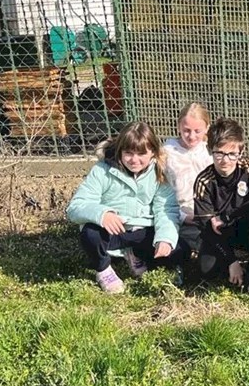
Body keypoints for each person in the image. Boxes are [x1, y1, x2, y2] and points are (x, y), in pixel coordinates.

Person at [67, 121, 184, 294]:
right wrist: (103, 214)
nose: (134, 160)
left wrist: (165, 238)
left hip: (142, 229)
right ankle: (104, 269)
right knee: (90, 234)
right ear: (120, 150)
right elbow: (75, 207)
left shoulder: (160, 173)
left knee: (181, 249)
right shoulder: (102, 170)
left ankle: (135, 254)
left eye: (141, 153)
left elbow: (166, 210)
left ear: (152, 152)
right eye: (128, 153)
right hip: (112, 230)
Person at [192, 118, 249, 292]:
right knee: (207, 269)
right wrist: (231, 260)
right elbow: (206, 226)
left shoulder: (247, 167)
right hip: (219, 235)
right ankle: (232, 267)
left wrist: (228, 216)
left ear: (240, 151)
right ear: (210, 150)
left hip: (243, 227)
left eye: (232, 154)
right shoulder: (204, 181)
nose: (225, 160)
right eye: (219, 153)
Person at [163, 102, 213, 262]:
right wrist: (184, 215)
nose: (191, 136)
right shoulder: (167, 152)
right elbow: (163, 192)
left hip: (207, 212)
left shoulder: (210, 152)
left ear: (207, 128)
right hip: (178, 214)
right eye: (186, 130)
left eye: (197, 131)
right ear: (178, 126)